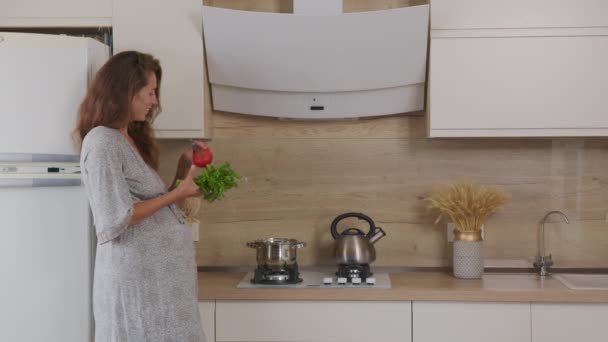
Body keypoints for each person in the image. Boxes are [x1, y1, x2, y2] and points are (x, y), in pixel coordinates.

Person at [74, 50, 206, 342]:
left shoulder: (126, 137)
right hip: (137, 289)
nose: (155, 101)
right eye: (150, 92)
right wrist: (180, 193)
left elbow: (156, 207)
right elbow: (114, 219)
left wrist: (183, 170)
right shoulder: (102, 142)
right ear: (127, 91)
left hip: (160, 289)